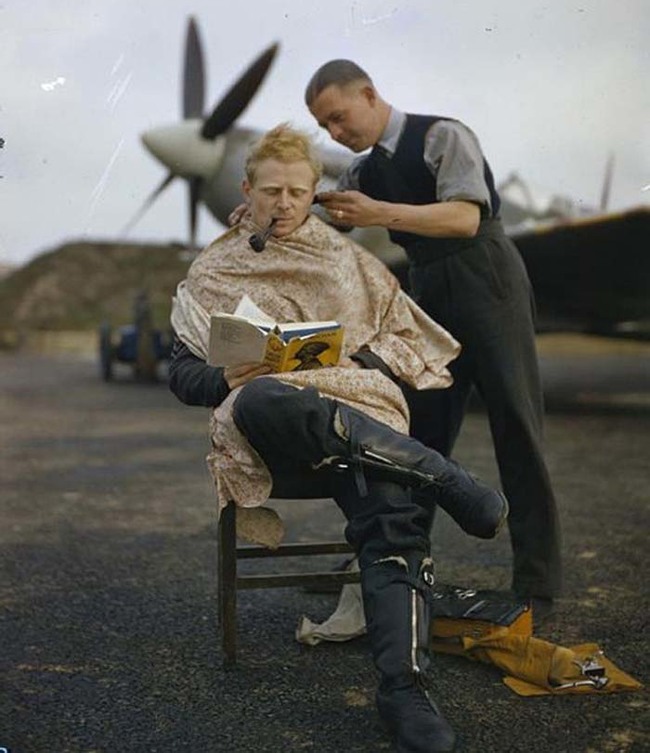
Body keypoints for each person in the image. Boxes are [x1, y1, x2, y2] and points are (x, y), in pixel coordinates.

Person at [169, 124, 508, 753]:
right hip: (269, 430)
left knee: (392, 509)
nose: (285, 203)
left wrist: (354, 364)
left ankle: (404, 691)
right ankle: (442, 475)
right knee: (269, 395)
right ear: (247, 189)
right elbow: (181, 373)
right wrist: (224, 375)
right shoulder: (213, 268)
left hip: (358, 419)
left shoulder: (349, 260)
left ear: (314, 191)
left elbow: (406, 343)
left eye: (299, 191)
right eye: (271, 190)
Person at [304, 61, 562, 615]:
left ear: (369, 95)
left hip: (485, 278)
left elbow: (465, 218)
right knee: (415, 440)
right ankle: (389, 564)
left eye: (339, 118)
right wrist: (267, 210)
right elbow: (330, 216)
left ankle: (537, 583)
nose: (335, 135)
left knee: (515, 425)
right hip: (425, 291)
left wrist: (379, 213)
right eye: (324, 127)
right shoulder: (363, 170)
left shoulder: (443, 135)